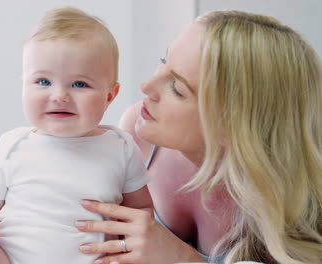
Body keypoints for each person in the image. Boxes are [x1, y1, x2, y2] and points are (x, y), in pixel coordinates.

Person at [74, 10, 322, 264]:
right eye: (164, 61)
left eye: (177, 89)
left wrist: (182, 257)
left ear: (229, 127)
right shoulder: (136, 140)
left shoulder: (294, 204)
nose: (146, 86)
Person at [0, 7, 152, 264]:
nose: (59, 95)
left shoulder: (121, 148)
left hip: (90, 259)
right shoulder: (14, 145)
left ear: (109, 95)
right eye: (43, 82)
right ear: (23, 86)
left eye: (79, 84)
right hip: (9, 257)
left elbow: (141, 211)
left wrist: (124, 251)